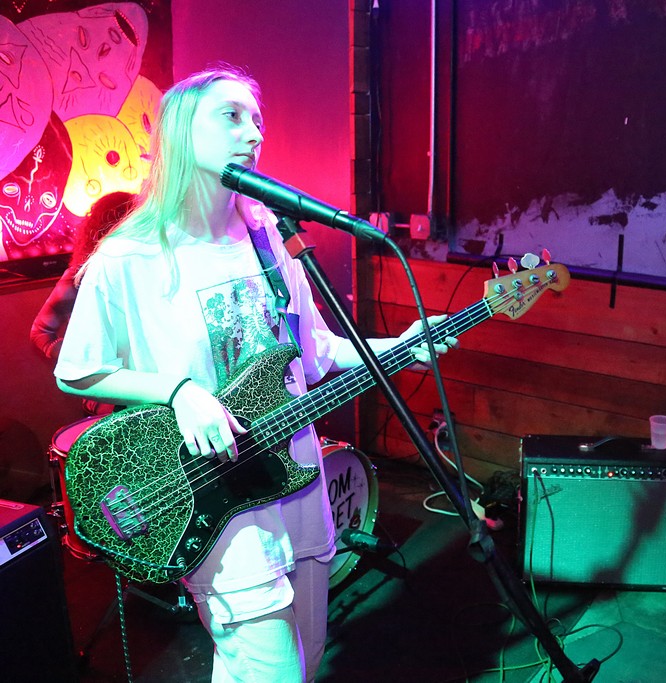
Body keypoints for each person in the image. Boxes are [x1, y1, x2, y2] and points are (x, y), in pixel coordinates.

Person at [53, 65, 456, 683]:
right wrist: (178, 392)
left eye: (257, 120)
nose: (254, 133)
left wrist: (396, 346)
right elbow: (76, 370)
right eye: (232, 116)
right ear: (181, 131)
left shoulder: (269, 238)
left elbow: (315, 349)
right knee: (271, 671)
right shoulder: (130, 256)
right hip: (217, 495)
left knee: (304, 659)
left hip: (296, 479)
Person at [31, 191, 136, 415]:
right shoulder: (82, 274)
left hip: (145, 385)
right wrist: (80, 358)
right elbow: (41, 331)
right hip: (110, 397)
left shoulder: (146, 270)